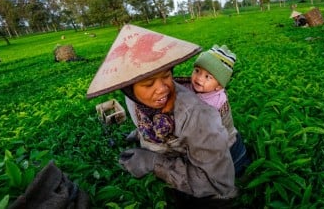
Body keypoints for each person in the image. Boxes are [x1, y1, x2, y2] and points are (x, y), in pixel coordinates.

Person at [87, 24, 239, 208]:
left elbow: (219, 186)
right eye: (149, 84)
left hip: (223, 158)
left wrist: (153, 163)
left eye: (167, 76)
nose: (162, 89)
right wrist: (141, 133)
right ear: (128, 89)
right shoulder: (132, 100)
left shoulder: (197, 115)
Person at [175, 45, 250, 178]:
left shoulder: (216, 101)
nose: (199, 78)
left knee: (226, 168)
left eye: (207, 76)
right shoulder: (196, 87)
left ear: (219, 85)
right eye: (197, 70)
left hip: (228, 146)